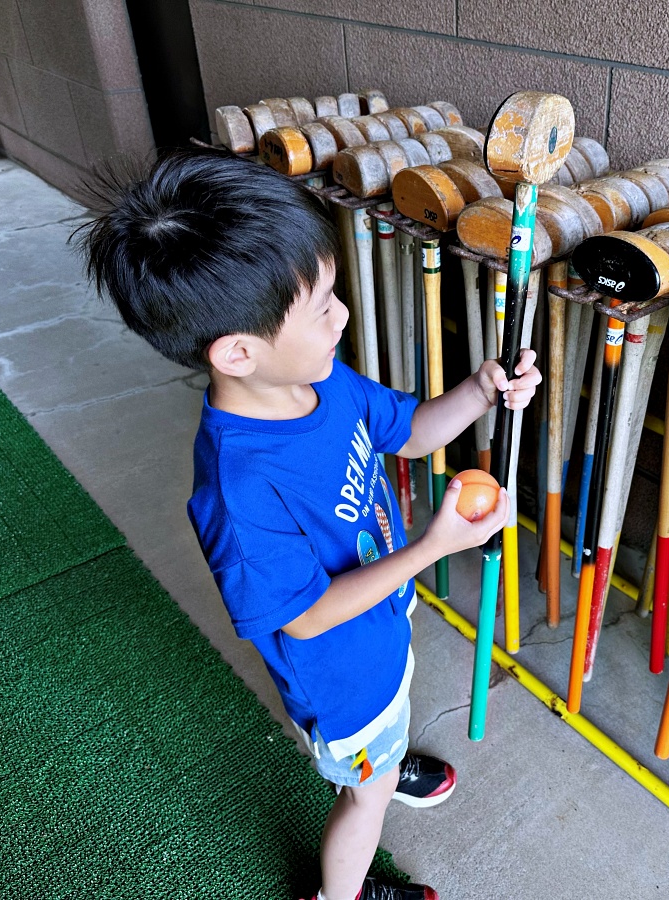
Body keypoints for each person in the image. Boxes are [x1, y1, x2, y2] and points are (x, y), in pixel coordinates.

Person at [74, 149, 541, 900]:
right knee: (365, 795)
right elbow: (307, 619)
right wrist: (432, 548)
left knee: (392, 709)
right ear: (236, 351)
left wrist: (483, 388)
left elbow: (414, 431)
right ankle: (342, 879)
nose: (343, 315)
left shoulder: (319, 379)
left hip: (379, 630)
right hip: (339, 679)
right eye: (321, 306)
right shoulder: (239, 487)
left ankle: (380, 764)